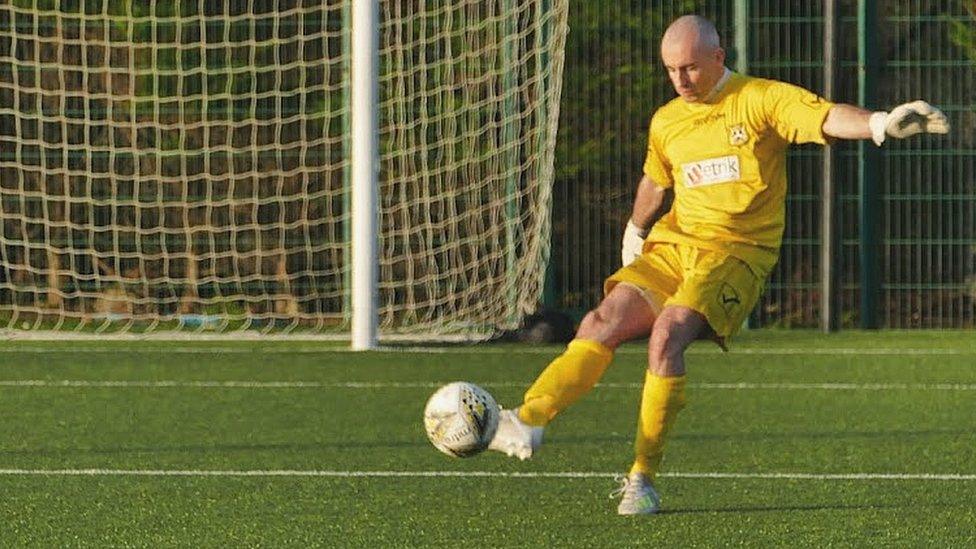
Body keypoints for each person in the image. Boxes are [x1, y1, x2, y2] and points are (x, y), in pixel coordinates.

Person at [487, 14, 950, 515]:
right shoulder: (668, 120)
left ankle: (641, 478)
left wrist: (880, 124)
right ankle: (529, 419)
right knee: (601, 321)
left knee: (666, 336)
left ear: (718, 58)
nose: (680, 80)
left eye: (689, 68)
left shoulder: (760, 99)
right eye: (670, 71)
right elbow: (655, 180)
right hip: (673, 246)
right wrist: (635, 231)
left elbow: (824, 116)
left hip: (736, 254)